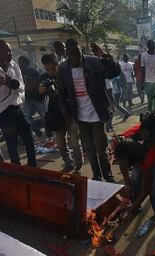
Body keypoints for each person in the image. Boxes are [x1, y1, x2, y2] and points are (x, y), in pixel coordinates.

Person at [58, 39, 120, 182]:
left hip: (97, 113)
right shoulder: (63, 69)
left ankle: (108, 175)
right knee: (89, 150)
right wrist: (66, 113)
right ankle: (97, 176)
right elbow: (61, 94)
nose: (76, 58)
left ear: (82, 52)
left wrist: (104, 55)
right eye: (72, 54)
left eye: (78, 53)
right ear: (67, 54)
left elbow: (114, 72)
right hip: (80, 116)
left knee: (100, 148)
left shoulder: (93, 62)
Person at [0, 39, 36, 167]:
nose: (11, 53)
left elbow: (21, 85)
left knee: (29, 139)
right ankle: (17, 170)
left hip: (17, 107)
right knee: (12, 144)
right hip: (3, 111)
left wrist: (11, 83)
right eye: (7, 50)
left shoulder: (14, 65)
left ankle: (32, 167)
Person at [39, 53, 82, 173]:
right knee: (60, 143)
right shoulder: (43, 78)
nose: (50, 72)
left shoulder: (66, 75)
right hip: (56, 115)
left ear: (58, 65)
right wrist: (41, 92)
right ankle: (68, 163)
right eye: (47, 70)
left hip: (70, 113)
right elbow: (40, 98)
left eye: (53, 69)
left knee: (75, 142)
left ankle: (78, 164)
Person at [18, 56, 52, 139]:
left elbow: (41, 83)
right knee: (27, 117)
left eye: (22, 62)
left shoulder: (34, 72)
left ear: (27, 63)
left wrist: (35, 88)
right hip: (28, 99)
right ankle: (38, 132)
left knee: (44, 116)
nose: (20, 65)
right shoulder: (19, 74)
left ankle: (49, 133)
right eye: (19, 63)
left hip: (38, 98)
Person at [141, 40, 155, 112]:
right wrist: (142, 82)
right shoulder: (143, 55)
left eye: (153, 44)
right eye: (150, 45)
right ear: (148, 46)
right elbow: (142, 69)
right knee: (149, 101)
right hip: (148, 81)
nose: (152, 46)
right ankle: (150, 116)